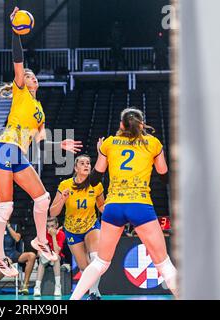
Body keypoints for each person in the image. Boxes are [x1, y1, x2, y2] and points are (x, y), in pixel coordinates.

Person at [0, 6, 82, 277]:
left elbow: (40, 141)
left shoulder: (40, 110)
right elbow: (18, 60)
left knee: (42, 198)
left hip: (19, 153)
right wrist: (15, 33)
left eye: (33, 76)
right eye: (29, 76)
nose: (32, 77)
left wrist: (59, 145)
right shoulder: (20, 92)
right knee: (5, 206)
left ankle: (40, 240)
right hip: (5, 148)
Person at [70, 108, 178, 300]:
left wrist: (101, 152)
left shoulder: (110, 143)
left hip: (114, 206)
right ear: (141, 124)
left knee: (101, 262)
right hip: (140, 205)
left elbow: (94, 179)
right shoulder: (153, 143)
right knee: (164, 264)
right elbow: (164, 176)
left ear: (121, 125)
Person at [49, 154, 105, 300]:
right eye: (82, 163)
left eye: (88, 163)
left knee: (96, 258)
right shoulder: (65, 185)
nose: (86, 165)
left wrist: (115, 211)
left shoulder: (96, 185)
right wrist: (62, 200)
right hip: (72, 229)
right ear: (75, 167)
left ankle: (93, 294)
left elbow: (101, 206)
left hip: (91, 225)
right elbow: (53, 212)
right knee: (84, 267)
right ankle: (94, 291)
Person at [0, 221, 36, 295]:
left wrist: (8, 226)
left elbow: (17, 238)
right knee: (6, 261)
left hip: (13, 253)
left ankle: (25, 285)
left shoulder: (16, 226)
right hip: (0, 254)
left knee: (32, 256)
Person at [33, 217, 66, 297]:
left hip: (56, 258)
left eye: (52, 226)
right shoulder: (42, 234)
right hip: (44, 258)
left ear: (57, 225)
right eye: (48, 226)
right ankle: (37, 287)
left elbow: (57, 251)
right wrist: (44, 255)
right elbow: (38, 253)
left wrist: (54, 236)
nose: (50, 228)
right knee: (41, 260)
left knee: (56, 258)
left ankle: (58, 286)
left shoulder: (61, 234)